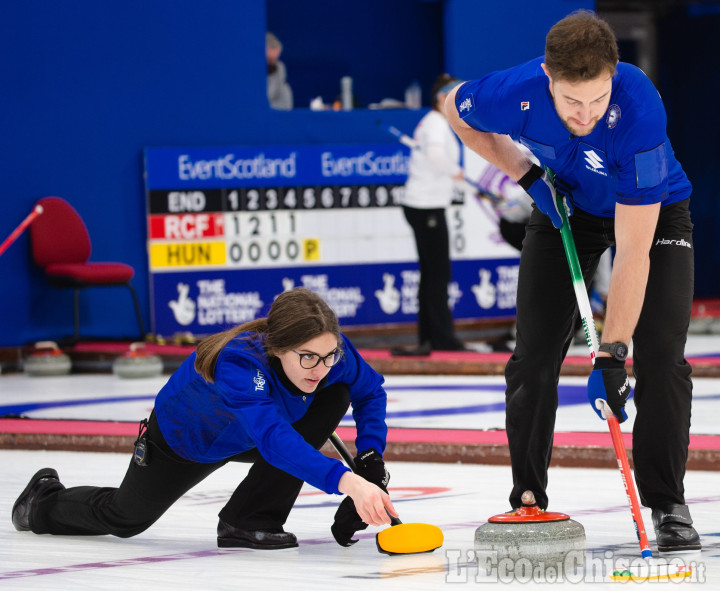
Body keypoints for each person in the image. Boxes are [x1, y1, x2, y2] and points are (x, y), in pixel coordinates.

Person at [446, 10, 699, 553]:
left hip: (653, 216)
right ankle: (529, 496)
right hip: (564, 206)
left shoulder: (638, 111)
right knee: (533, 357)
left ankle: (668, 503)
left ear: (613, 77)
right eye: (570, 101)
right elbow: (455, 107)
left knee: (660, 357)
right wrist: (526, 173)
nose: (585, 113)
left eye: (596, 99)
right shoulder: (514, 91)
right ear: (547, 78)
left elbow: (632, 253)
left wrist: (611, 354)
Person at [11, 288, 396, 550]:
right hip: (188, 440)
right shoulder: (239, 363)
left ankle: (247, 520)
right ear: (277, 347)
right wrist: (349, 484)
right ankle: (42, 501)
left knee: (337, 394)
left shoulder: (333, 355)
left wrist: (370, 463)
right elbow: (274, 439)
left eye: (328, 356)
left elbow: (370, 392)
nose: (320, 367)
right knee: (126, 518)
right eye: (308, 357)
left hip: (252, 436)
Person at [392, 74, 467, 356]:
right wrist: (456, 173)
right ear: (441, 97)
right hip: (426, 208)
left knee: (433, 274)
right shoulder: (436, 124)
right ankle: (440, 339)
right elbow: (437, 158)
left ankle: (431, 338)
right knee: (437, 274)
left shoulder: (435, 123)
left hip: (426, 206)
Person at [266, 32, 293, 110]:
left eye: (275, 59)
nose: (274, 62)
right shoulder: (257, 70)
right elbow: (269, 95)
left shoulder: (279, 67)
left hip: (283, 111)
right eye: (270, 59)